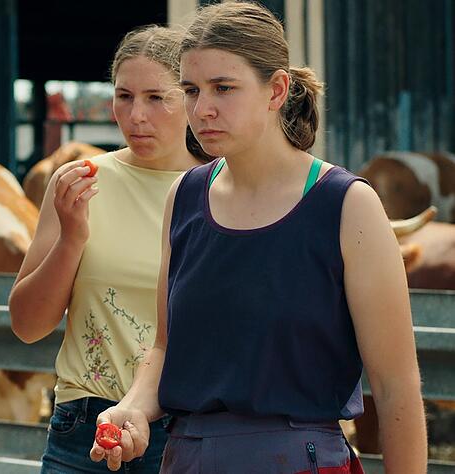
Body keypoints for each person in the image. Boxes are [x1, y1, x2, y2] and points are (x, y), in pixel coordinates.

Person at [90, 3, 427, 473]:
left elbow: (396, 387)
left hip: (300, 461)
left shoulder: (346, 204)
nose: (202, 108)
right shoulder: (184, 197)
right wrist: (133, 409)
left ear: (277, 90)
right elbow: (166, 347)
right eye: (191, 89)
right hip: (186, 459)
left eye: (223, 88)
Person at [9, 26, 207, 473]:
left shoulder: (221, 189)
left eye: (157, 98)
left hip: (188, 429)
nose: (136, 115)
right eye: (123, 96)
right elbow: (26, 324)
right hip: (85, 429)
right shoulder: (80, 181)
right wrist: (71, 238)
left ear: (191, 98)